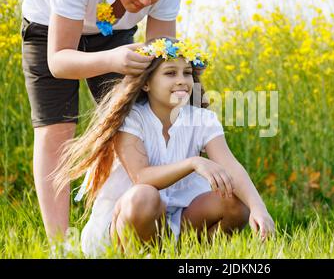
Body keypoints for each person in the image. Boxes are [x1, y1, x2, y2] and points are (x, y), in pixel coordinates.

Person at [52, 37, 276, 257]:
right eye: (170, 73)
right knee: (144, 196)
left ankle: (187, 255)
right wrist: (193, 162)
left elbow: (230, 165)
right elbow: (141, 177)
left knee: (236, 201)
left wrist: (258, 207)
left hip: (181, 215)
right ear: (147, 83)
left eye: (186, 73)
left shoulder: (202, 118)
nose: (181, 80)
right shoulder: (131, 119)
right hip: (131, 219)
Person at [20, 0, 180, 242]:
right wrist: (111, 60)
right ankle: (60, 243)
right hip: (48, 28)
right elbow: (58, 62)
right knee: (56, 130)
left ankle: (116, 228)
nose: (146, 1)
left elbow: (160, 62)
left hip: (114, 34)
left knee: (135, 121)